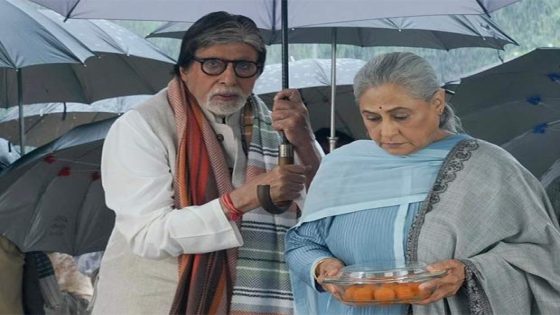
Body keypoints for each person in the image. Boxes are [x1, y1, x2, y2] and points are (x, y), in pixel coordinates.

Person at [285, 52, 560, 314]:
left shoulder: (489, 168)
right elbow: (302, 243)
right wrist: (321, 266)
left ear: (437, 102)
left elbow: (545, 259)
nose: (387, 131)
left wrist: (467, 272)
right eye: (373, 118)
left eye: (401, 116)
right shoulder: (342, 167)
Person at [92, 11, 322, 315]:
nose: (228, 79)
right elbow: (148, 236)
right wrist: (245, 198)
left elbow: (326, 206)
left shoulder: (279, 124)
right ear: (184, 69)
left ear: (257, 72)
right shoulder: (142, 126)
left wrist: (304, 142)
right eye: (212, 64)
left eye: (243, 66)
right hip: (159, 302)